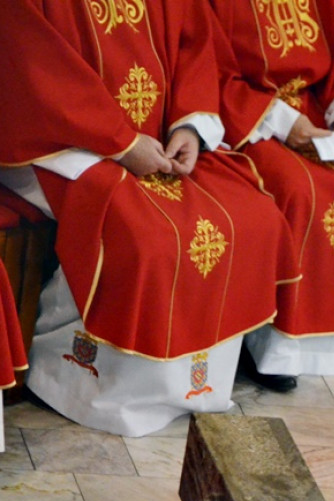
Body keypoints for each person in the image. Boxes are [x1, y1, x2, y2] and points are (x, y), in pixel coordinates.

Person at [0, 0, 298, 437]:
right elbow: (31, 61)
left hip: (154, 137)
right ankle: (88, 385)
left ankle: (195, 384)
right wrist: (120, 143)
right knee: (145, 233)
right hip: (54, 139)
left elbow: (194, 41)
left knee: (252, 216)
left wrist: (189, 126)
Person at [206, 0, 334, 381]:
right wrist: (284, 122)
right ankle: (271, 348)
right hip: (251, 114)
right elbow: (209, 68)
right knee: (297, 190)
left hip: (316, 108)